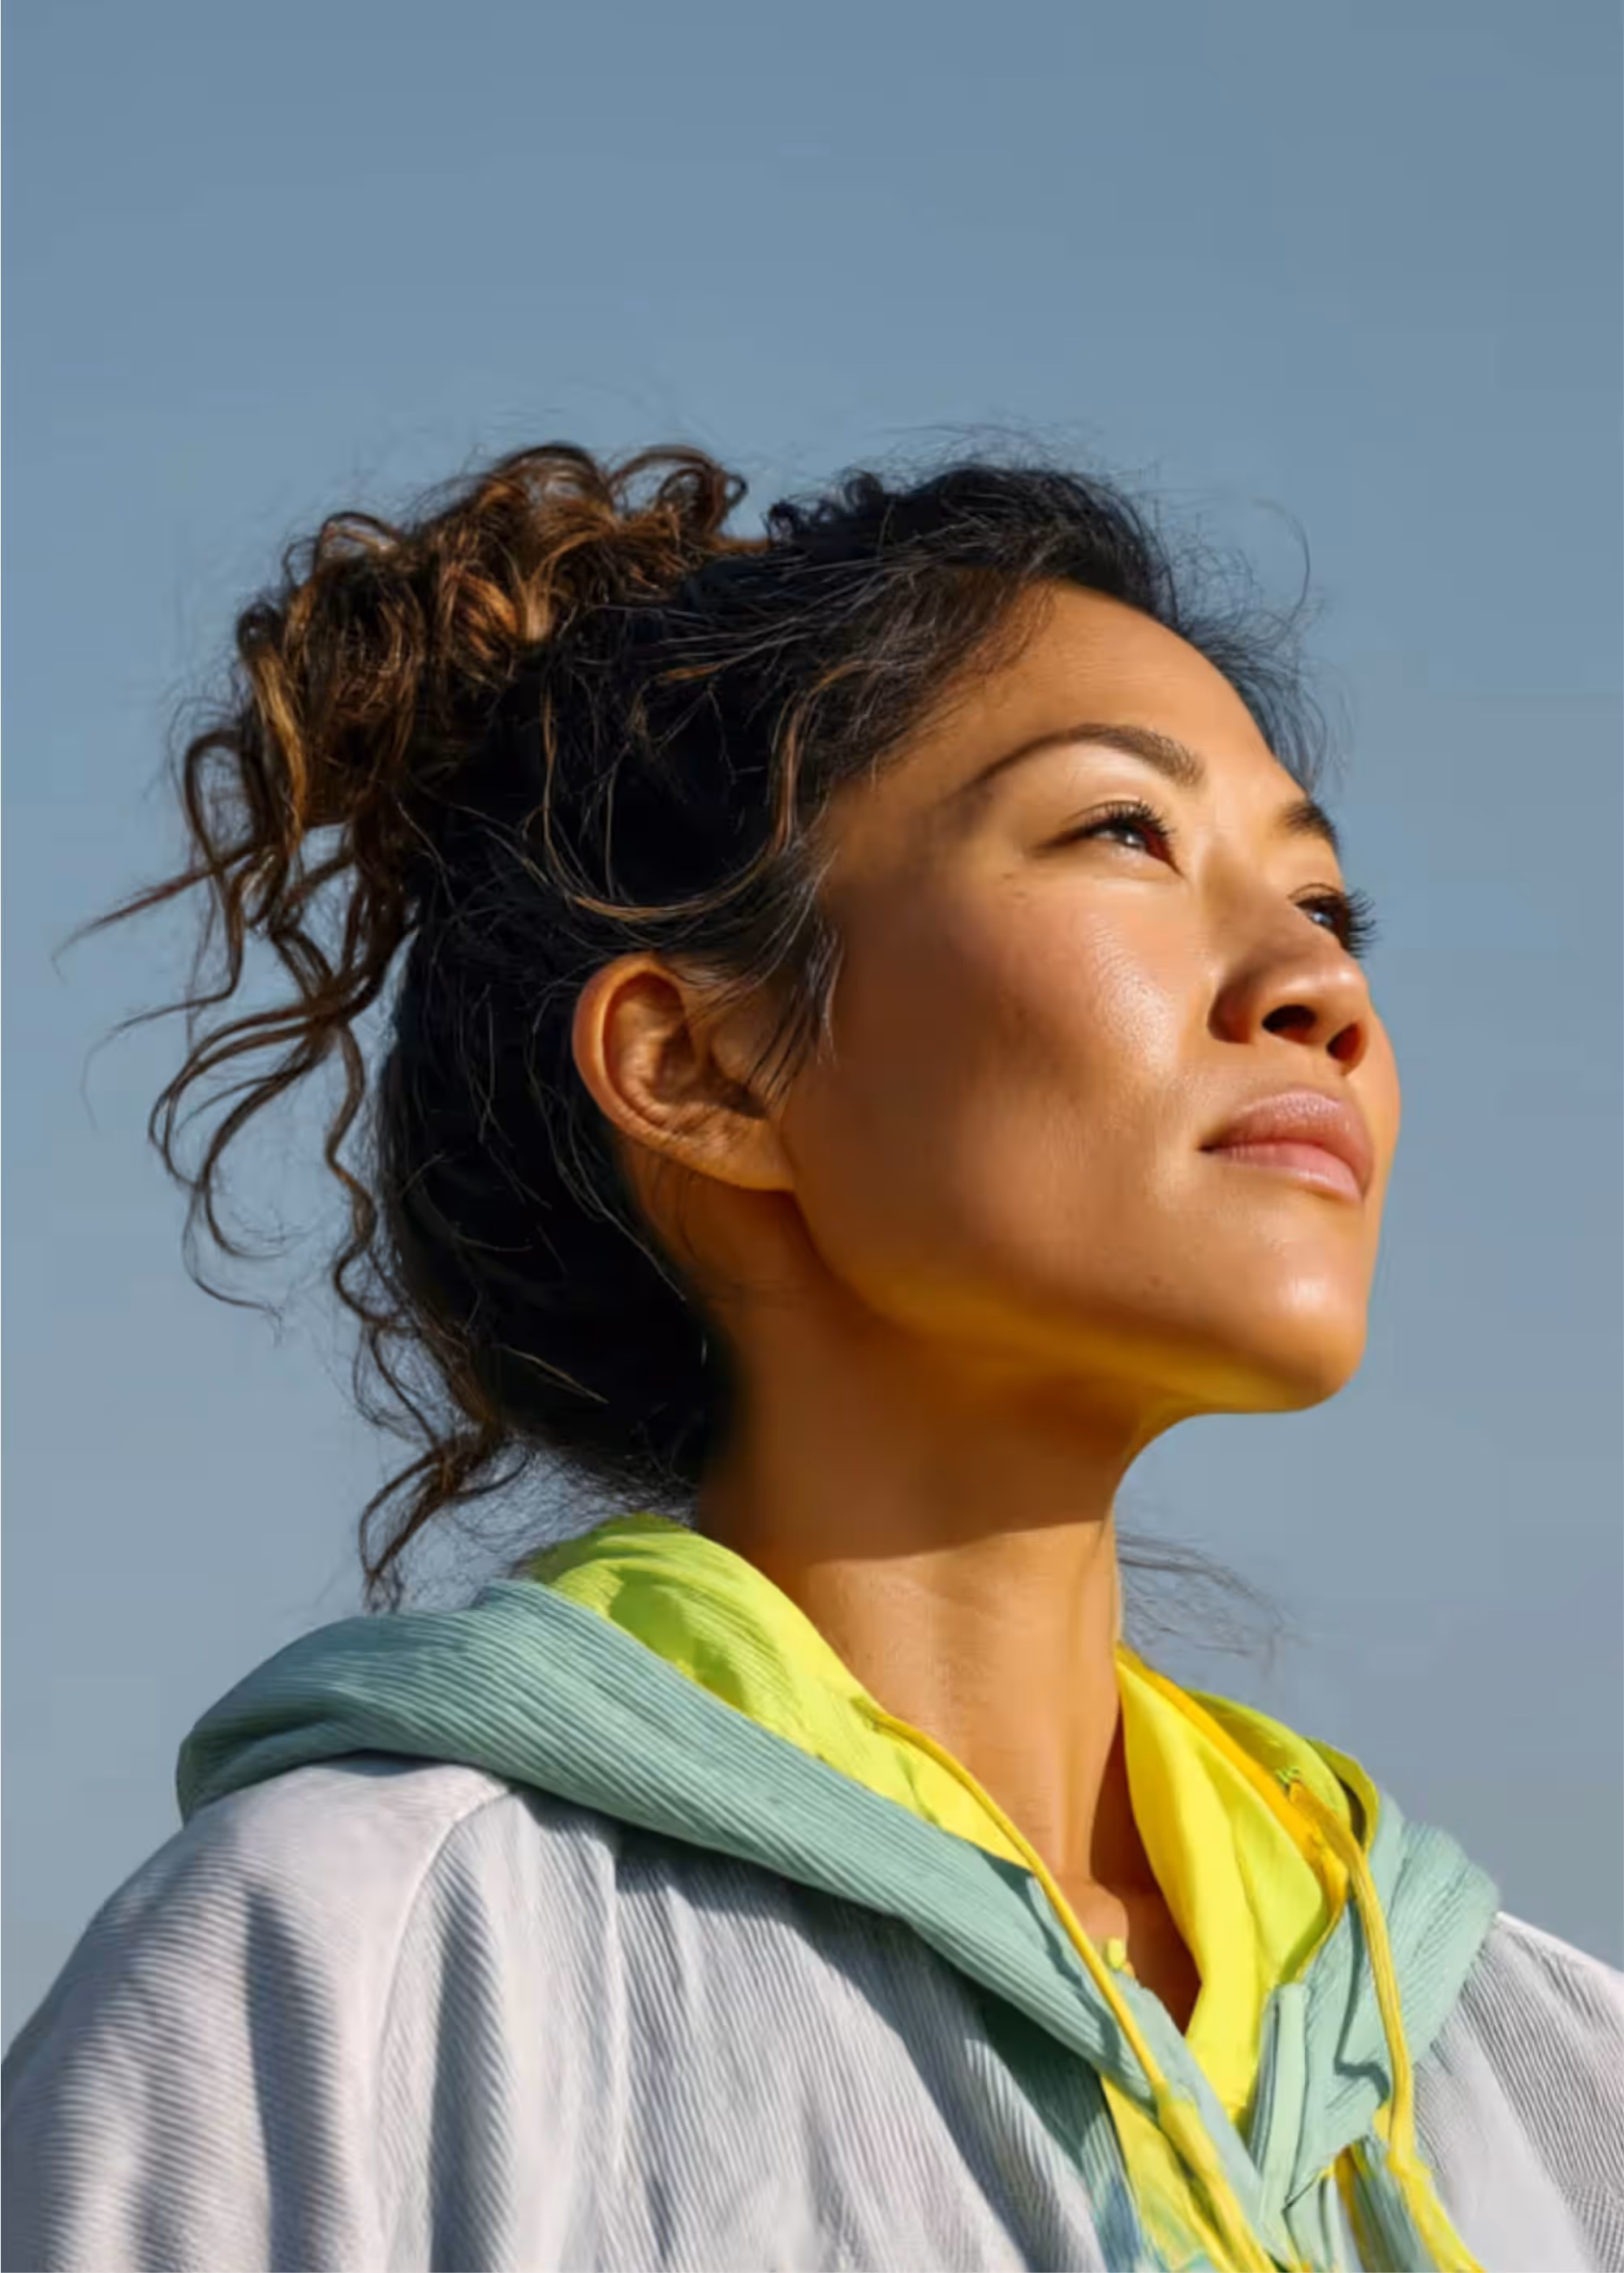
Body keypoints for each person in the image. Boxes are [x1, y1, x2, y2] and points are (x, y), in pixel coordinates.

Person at [4, 444, 1620, 2273]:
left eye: (1328, 905)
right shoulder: (352, 1973)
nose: (1315, 987)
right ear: (702, 1066)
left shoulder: (1534, 2069)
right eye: (1123, 833)